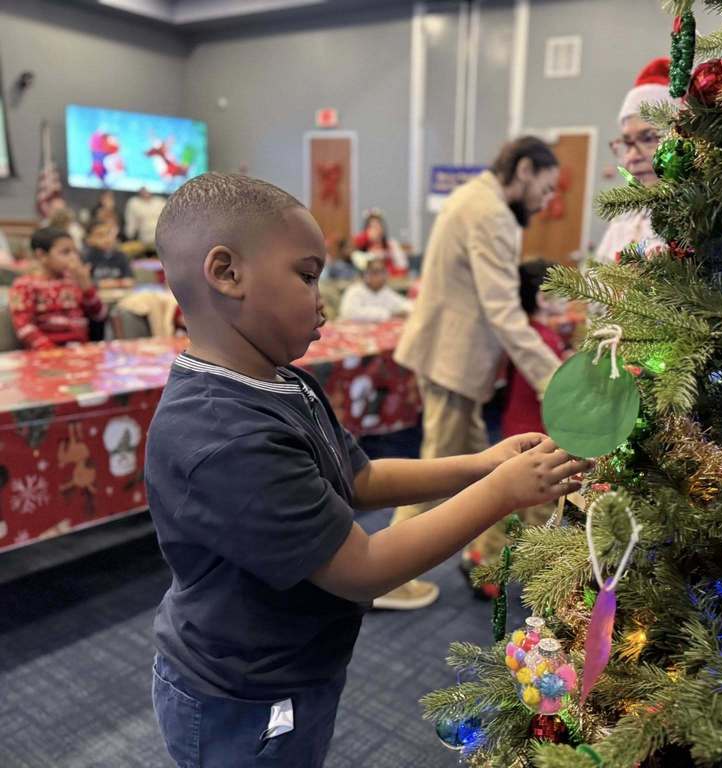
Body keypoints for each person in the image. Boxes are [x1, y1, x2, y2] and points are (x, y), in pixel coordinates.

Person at [146, 172, 589, 768]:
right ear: (227, 273)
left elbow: (359, 479)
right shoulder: (224, 437)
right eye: (306, 276)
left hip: (299, 663)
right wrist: (501, 492)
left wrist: (479, 465)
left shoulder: (284, 381)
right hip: (241, 694)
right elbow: (363, 568)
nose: (321, 299)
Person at [383, 136, 563, 610]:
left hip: (449, 358)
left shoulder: (473, 197)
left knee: (469, 470)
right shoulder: (491, 213)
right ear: (524, 170)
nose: (545, 203)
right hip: (451, 361)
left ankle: (482, 556)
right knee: (437, 470)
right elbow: (504, 312)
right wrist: (558, 381)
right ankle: (384, 578)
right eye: (545, 189)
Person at [463, 259, 570, 597]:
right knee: (541, 509)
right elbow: (554, 390)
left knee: (503, 503)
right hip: (539, 435)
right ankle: (542, 583)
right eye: (560, 290)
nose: (567, 298)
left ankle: (484, 561)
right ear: (541, 298)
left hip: (513, 430)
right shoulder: (543, 340)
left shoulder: (527, 334)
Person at [594, 57, 682, 265]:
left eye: (649, 138)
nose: (632, 156)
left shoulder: (705, 220)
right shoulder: (625, 217)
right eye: (626, 143)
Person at [9, 226, 106, 349]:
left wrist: (87, 288)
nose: (73, 258)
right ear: (42, 255)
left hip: (80, 351)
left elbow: (99, 315)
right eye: (65, 252)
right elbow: (24, 327)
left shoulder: (74, 281)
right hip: (46, 353)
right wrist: (52, 351)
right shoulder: (24, 285)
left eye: (75, 252)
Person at [338, 253, 412, 321]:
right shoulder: (355, 291)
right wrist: (388, 314)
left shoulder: (385, 292)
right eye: (376, 272)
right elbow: (349, 313)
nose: (381, 276)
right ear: (366, 275)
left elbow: (404, 304)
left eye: (383, 272)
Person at [352, 210, 408, 276]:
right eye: (371, 226)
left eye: (377, 226)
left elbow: (402, 266)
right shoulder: (362, 245)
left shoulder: (391, 244)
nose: (375, 230)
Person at [82, 219, 134, 286]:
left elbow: (130, 280)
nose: (106, 239)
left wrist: (115, 283)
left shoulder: (121, 256)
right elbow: (85, 282)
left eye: (108, 233)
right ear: (89, 239)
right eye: (100, 235)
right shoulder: (87, 257)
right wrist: (100, 284)